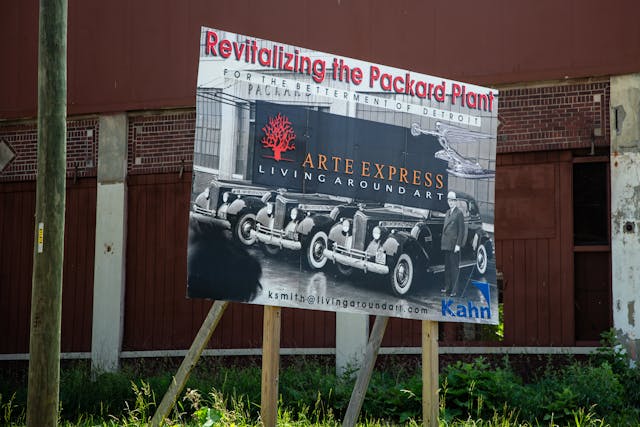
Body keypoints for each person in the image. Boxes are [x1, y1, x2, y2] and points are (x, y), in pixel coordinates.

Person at [441, 191, 465, 296]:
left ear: (455, 202)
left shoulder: (459, 213)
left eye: (452, 200)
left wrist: (458, 245)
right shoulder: (447, 212)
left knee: (454, 268)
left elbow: (461, 231)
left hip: (454, 245)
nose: (450, 202)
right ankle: (447, 287)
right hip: (446, 244)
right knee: (447, 267)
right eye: (449, 200)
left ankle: (454, 290)